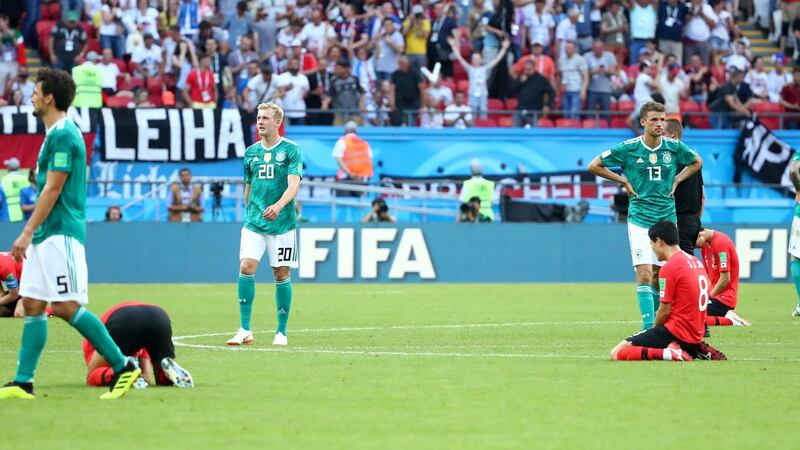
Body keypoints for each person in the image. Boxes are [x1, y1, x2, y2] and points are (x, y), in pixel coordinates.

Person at [0, 68, 141, 400]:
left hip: (60, 234)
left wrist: (27, 231)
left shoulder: (64, 134)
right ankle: (23, 381)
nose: (31, 95)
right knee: (32, 305)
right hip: (44, 236)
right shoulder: (54, 134)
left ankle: (124, 366)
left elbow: (53, 188)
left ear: (49, 97)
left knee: (65, 306)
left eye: (35, 91)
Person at [588, 101, 702, 330]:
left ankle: (664, 323)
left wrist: (679, 179)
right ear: (643, 122)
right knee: (644, 272)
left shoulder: (673, 147)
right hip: (639, 218)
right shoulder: (628, 148)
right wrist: (623, 180)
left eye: (662, 119)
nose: (659, 124)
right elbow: (594, 165)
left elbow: (697, 162)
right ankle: (649, 327)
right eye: (654, 120)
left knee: (661, 273)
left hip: (667, 218)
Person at [227, 103, 302, 347]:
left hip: (283, 224)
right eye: (258, 118)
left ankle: (281, 332)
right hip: (254, 223)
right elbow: (248, 188)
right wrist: (252, 212)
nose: (260, 122)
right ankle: (244, 329)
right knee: (246, 267)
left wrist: (278, 206)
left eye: (266, 118)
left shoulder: (291, 150)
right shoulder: (250, 152)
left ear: (277, 122)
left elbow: (293, 185)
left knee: (281, 273)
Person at [610, 220, 726, 361]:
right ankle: (695, 349)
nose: (651, 248)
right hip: (695, 335)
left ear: (659, 241)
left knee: (617, 352)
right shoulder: (696, 261)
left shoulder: (669, 267)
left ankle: (671, 353)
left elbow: (664, 310)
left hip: (675, 334)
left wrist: (653, 332)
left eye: (651, 243)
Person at [82, 302, 193, 388]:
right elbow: (147, 378)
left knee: (92, 375)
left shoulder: (89, 345)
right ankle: (170, 372)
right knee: (162, 380)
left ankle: (127, 370)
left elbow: (94, 372)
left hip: (123, 318)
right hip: (159, 315)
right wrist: (141, 377)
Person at [664, 119, 704, 255]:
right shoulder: (693, 160)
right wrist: (696, 221)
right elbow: (702, 195)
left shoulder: (671, 160)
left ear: (674, 136)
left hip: (679, 220)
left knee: (685, 265)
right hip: (693, 220)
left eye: (663, 134)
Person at [694, 228, 750, 327]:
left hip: (724, 299)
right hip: (714, 297)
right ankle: (728, 317)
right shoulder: (705, 246)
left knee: (693, 317)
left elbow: (725, 279)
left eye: (695, 243)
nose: (695, 247)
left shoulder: (721, 242)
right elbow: (708, 277)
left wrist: (708, 296)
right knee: (689, 313)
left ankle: (731, 321)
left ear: (700, 235)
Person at [448, 36, 510, 118]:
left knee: (483, 114)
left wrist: (504, 48)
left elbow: (496, 60)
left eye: (477, 58)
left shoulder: (484, 69)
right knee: (471, 115)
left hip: (483, 94)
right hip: (472, 94)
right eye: (474, 58)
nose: (475, 60)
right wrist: (453, 46)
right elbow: (460, 58)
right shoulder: (470, 68)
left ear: (481, 60)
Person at [1, 157, 29, 223]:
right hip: (24, 213)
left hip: (8, 213)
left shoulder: (3, 180)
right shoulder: (25, 179)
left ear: (10, 168)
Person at [0, 251, 24, 318]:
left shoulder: (5, 267)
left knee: (19, 313)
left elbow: (14, 295)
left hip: (34, 283)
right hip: (18, 286)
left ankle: (48, 311)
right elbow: (2, 292)